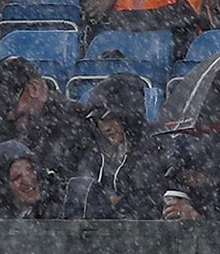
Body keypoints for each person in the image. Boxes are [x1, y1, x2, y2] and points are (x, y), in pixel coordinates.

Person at [0, 57, 93, 214]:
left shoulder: (77, 121)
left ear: (34, 89)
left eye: (11, 108)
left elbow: (81, 190)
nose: (9, 117)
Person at [64, 74, 165, 220]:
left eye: (110, 119)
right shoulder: (95, 152)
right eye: (99, 120)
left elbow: (147, 199)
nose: (105, 127)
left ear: (129, 117)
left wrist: (109, 204)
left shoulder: (153, 147)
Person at [0, 141, 63, 219]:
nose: (27, 181)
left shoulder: (61, 205)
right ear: (4, 186)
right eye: (16, 177)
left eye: (31, 170)